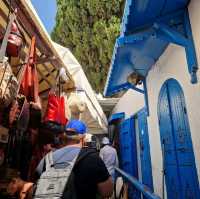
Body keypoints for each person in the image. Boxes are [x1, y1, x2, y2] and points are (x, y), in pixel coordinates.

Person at [35, 119, 113, 199]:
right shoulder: (93, 159)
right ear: (84, 138)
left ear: (64, 137)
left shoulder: (47, 159)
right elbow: (107, 192)